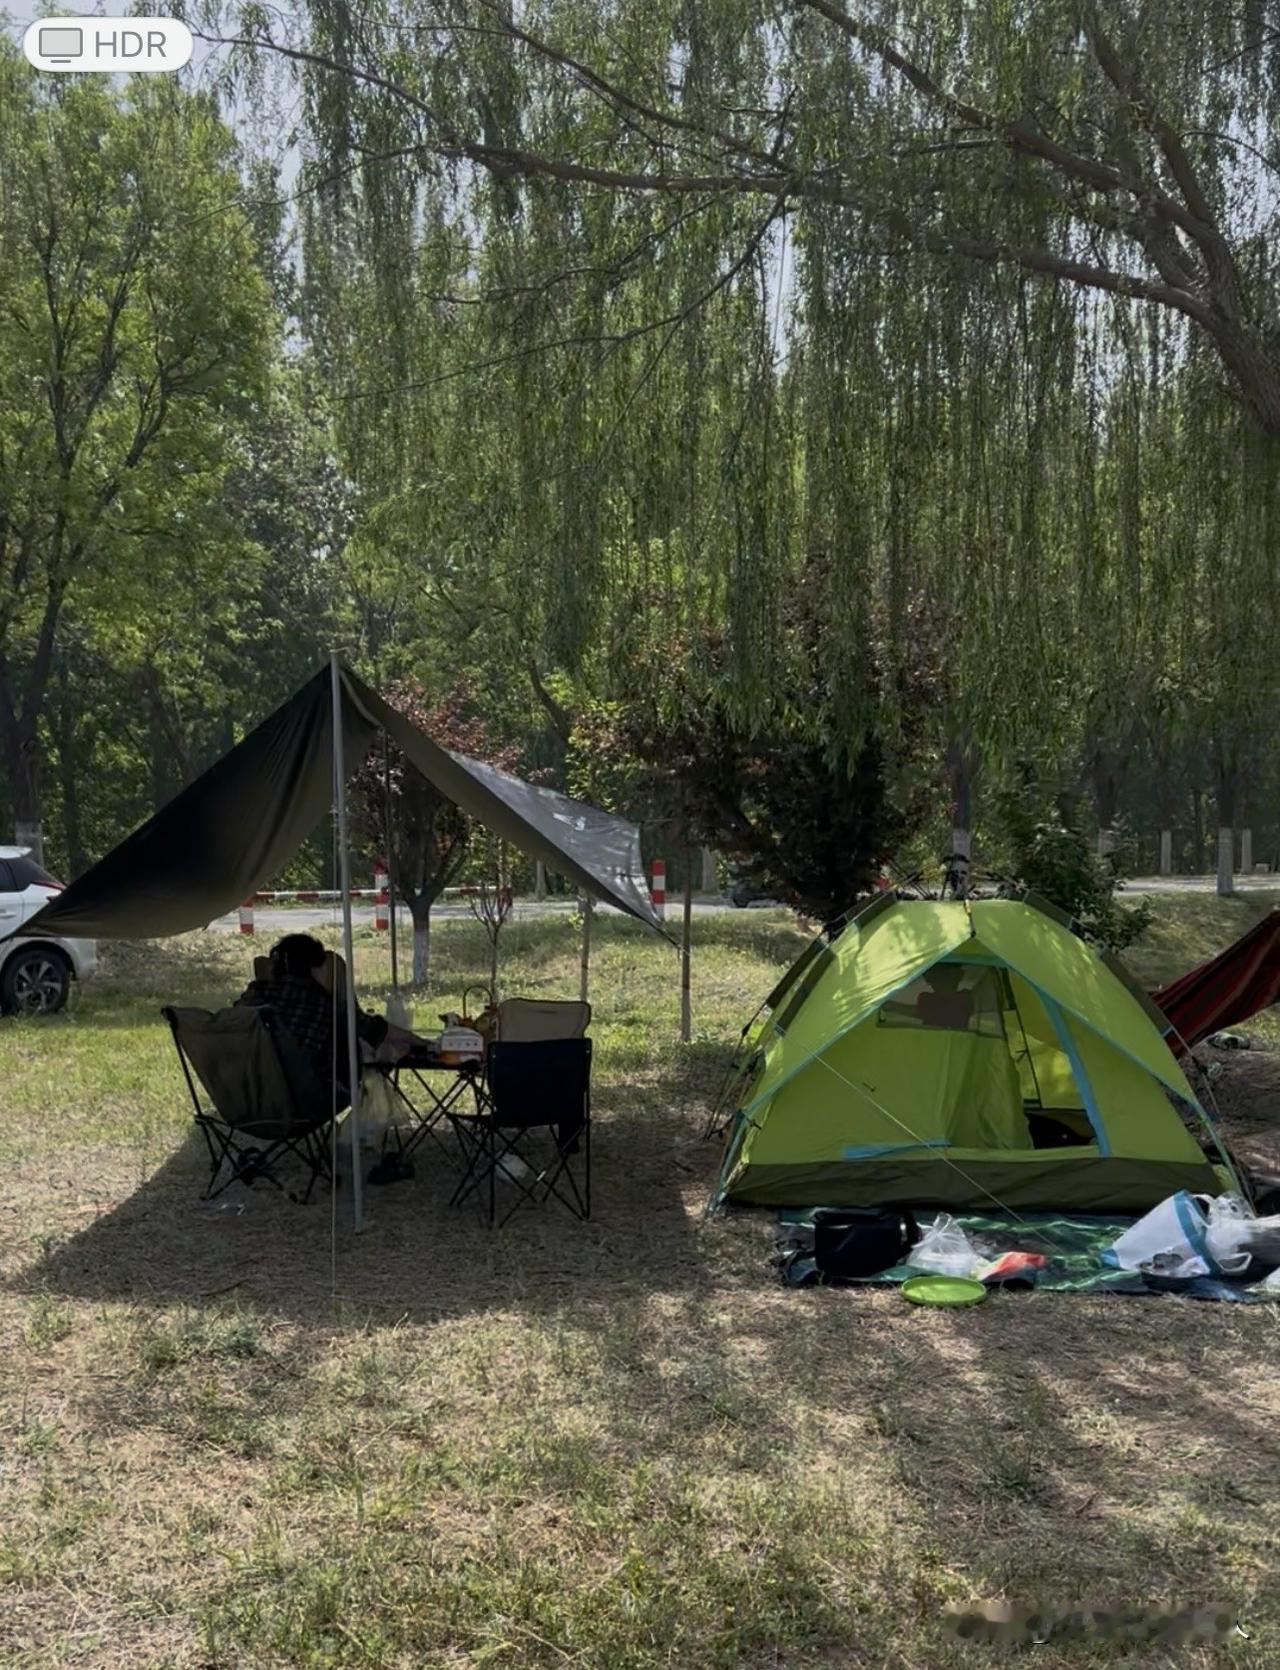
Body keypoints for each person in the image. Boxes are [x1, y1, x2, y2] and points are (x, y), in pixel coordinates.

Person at [236, 932, 414, 1091]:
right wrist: (422, 1043)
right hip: (307, 1098)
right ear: (315, 969)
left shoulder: (250, 998)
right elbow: (378, 1030)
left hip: (246, 1097)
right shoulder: (324, 1005)